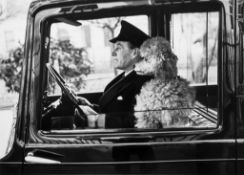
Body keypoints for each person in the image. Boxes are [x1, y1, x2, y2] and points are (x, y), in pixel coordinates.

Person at [42, 20, 152, 130]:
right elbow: (110, 110)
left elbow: (133, 122)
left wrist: (90, 120)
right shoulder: (125, 76)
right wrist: (87, 105)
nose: (113, 52)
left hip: (120, 144)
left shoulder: (144, 83)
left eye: (119, 47)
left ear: (135, 53)